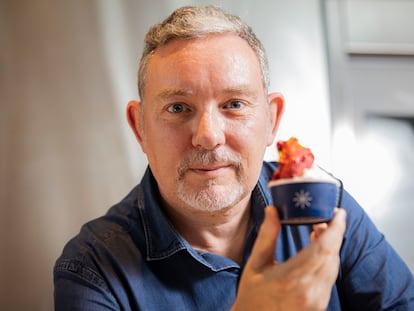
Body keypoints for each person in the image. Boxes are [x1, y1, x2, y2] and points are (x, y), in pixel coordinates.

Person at [54, 5, 414, 310]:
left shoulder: (325, 203)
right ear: (139, 127)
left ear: (271, 119)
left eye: (234, 105)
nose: (208, 135)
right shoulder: (93, 266)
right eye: (178, 107)